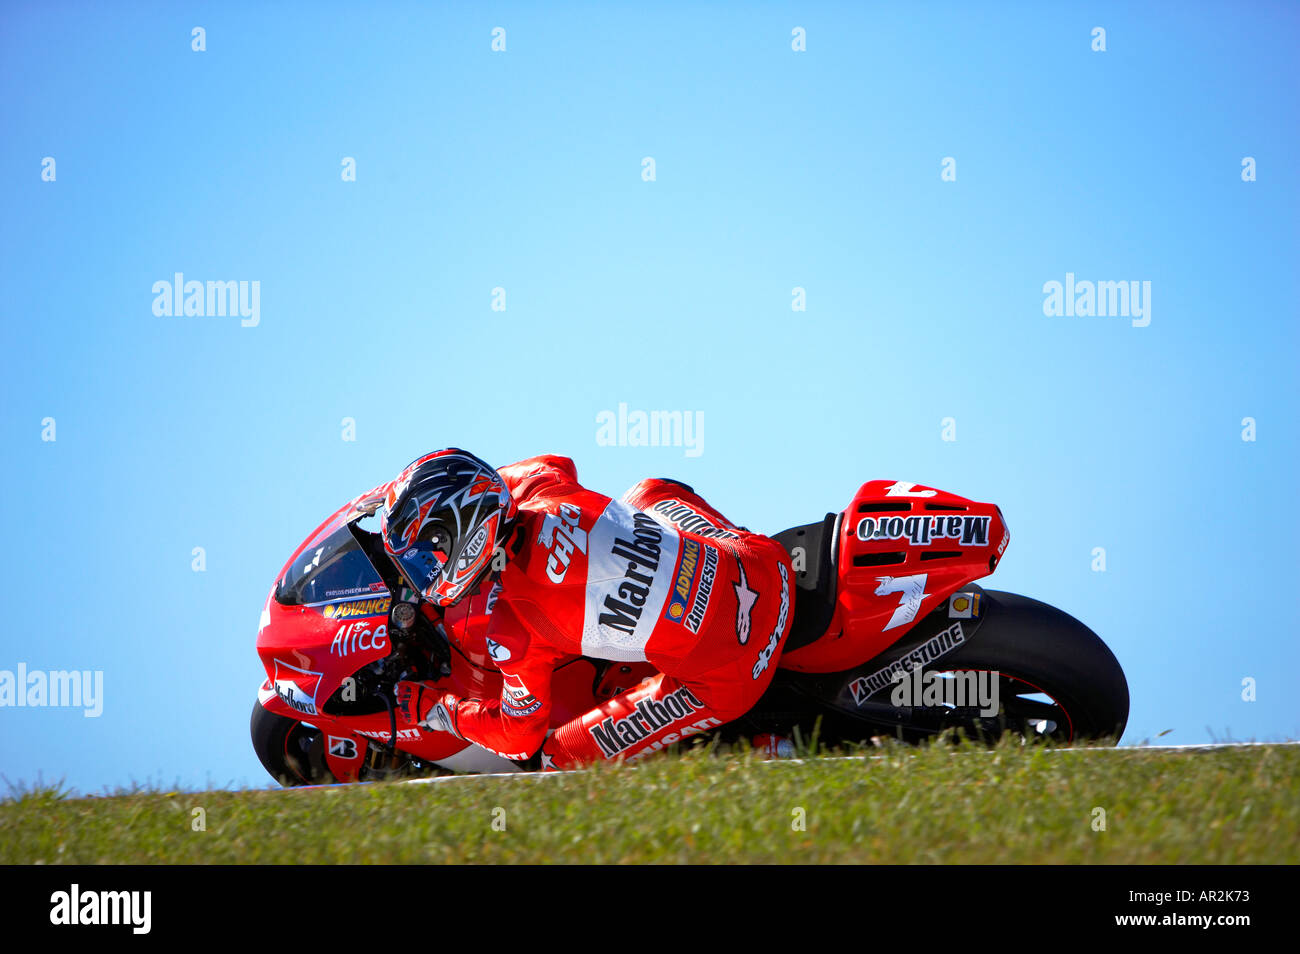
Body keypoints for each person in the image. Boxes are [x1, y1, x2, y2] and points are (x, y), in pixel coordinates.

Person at [385, 449, 793, 769]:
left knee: (559, 759)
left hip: (739, 672)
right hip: (766, 565)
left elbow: (518, 738)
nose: (426, 575)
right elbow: (553, 463)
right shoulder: (538, 482)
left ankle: (742, 750)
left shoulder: (514, 628)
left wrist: (440, 710)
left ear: (463, 533)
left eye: (428, 556)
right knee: (651, 492)